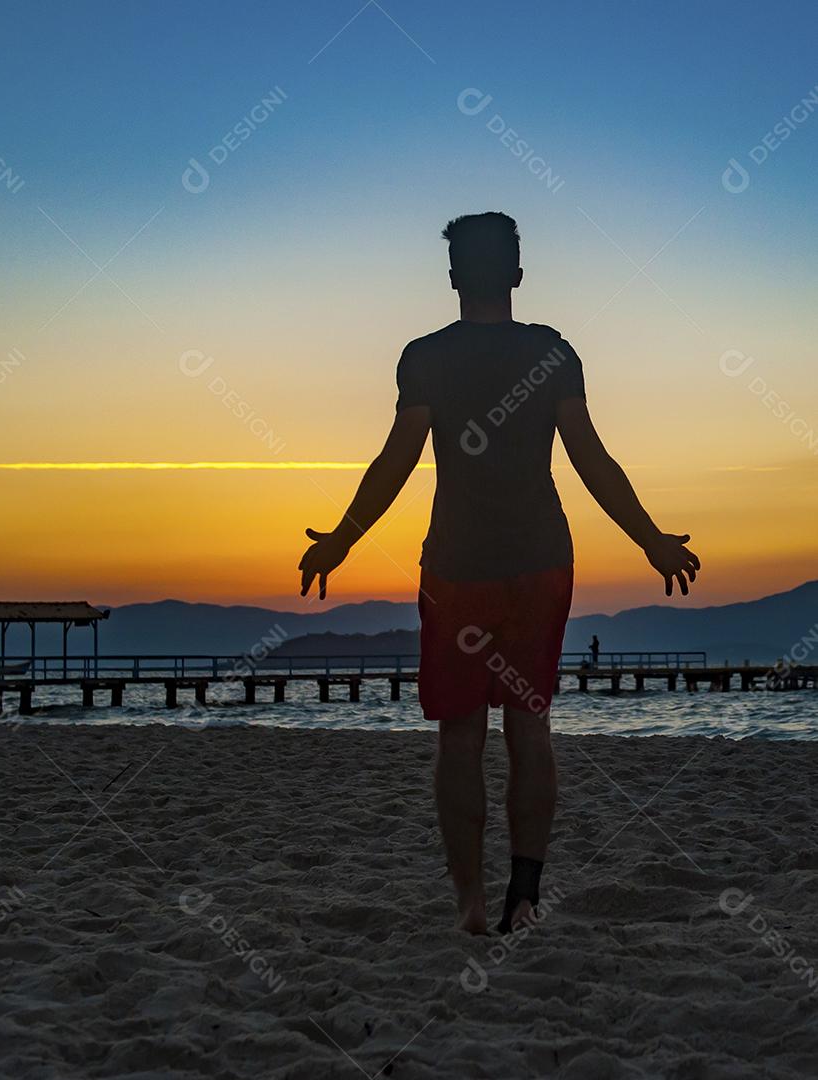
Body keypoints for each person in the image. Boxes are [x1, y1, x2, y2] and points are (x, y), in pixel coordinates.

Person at [298, 212, 700, 935]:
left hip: (456, 569)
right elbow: (591, 459)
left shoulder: (424, 358)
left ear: (454, 277)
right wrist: (650, 541)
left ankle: (471, 903)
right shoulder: (553, 354)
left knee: (459, 738)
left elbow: (396, 462)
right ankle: (526, 894)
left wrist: (341, 540)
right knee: (530, 726)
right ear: (517, 273)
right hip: (541, 562)